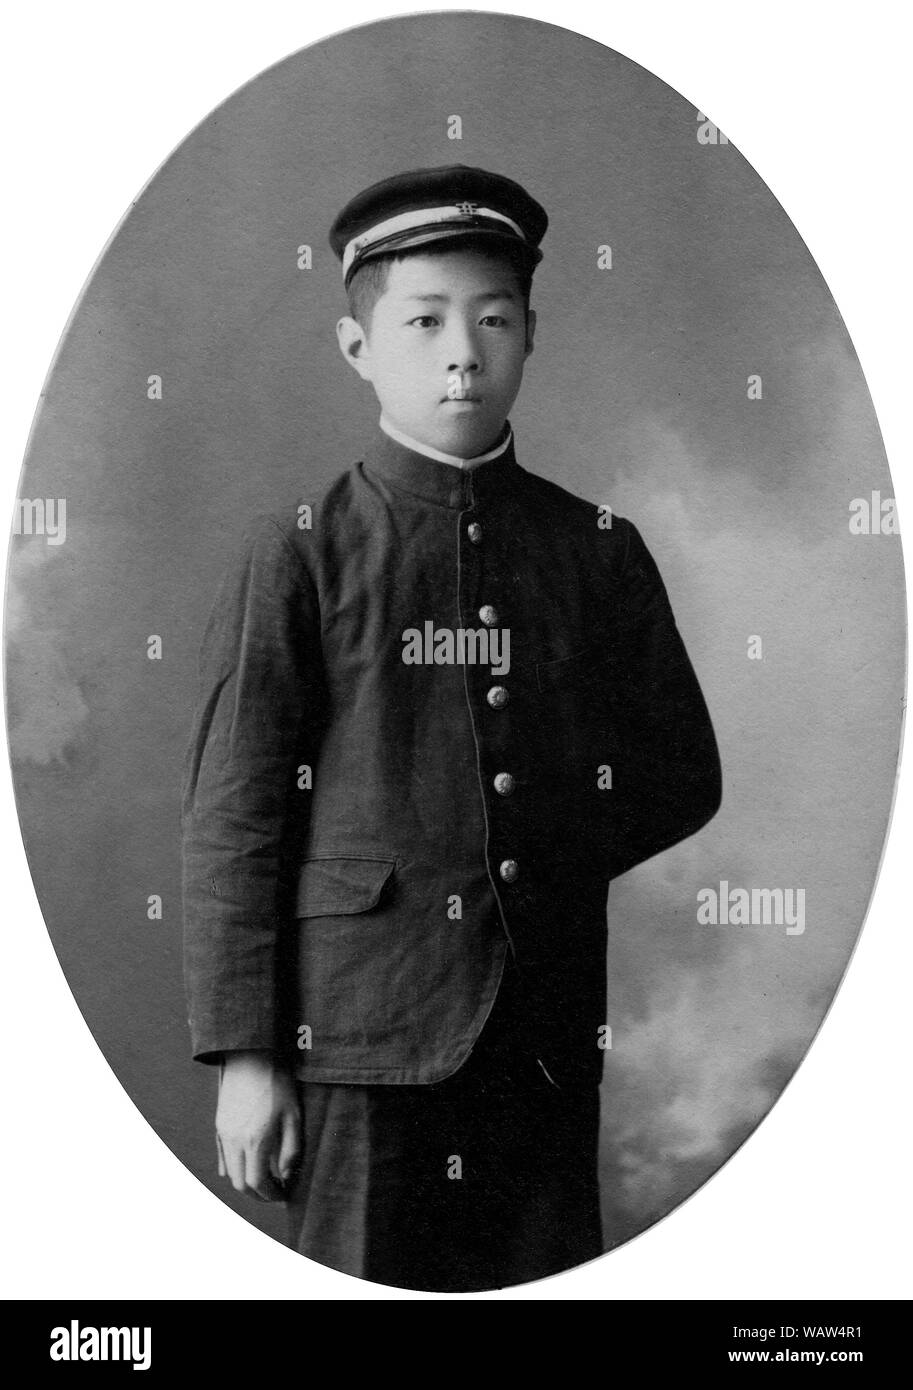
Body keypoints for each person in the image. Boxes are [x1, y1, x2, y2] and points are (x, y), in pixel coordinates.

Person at [181, 164, 722, 1291]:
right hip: (358, 1039)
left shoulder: (598, 550)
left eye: (493, 319)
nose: (462, 354)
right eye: (423, 323)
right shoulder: (302, 547)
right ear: (357, 347)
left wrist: (528, 859)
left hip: (541, 1039)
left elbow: (680, 773)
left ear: (531, 335)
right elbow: (235, 820)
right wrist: (248, 1055)